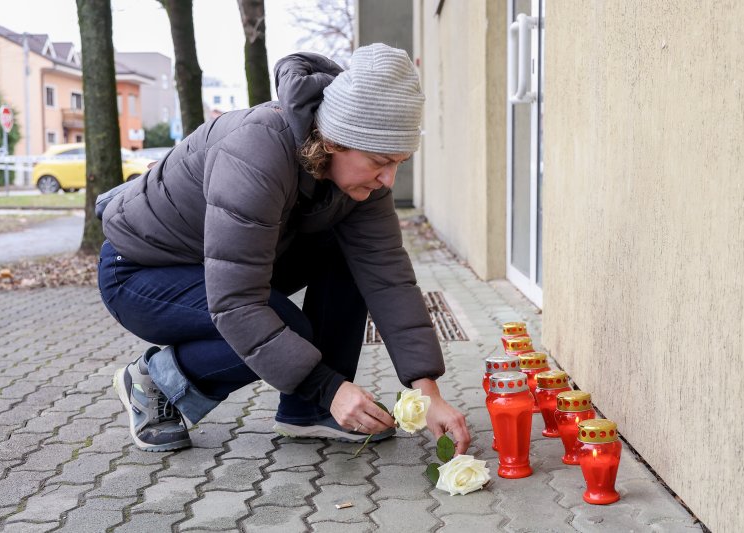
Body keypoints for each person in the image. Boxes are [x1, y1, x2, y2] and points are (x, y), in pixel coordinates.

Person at [97, 43, 470, 454]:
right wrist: (329, 387)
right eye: (381, 160)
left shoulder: (362, 181)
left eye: (398, 162)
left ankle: (308, 411)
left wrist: (427, 391)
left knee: (353, 256)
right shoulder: (255, 151)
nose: (388, 179)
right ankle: (155, 379)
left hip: (220, 265)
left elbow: (387, 275)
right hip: (141, 271)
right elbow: (236, 302)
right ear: (335, 141)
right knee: (285, 330)